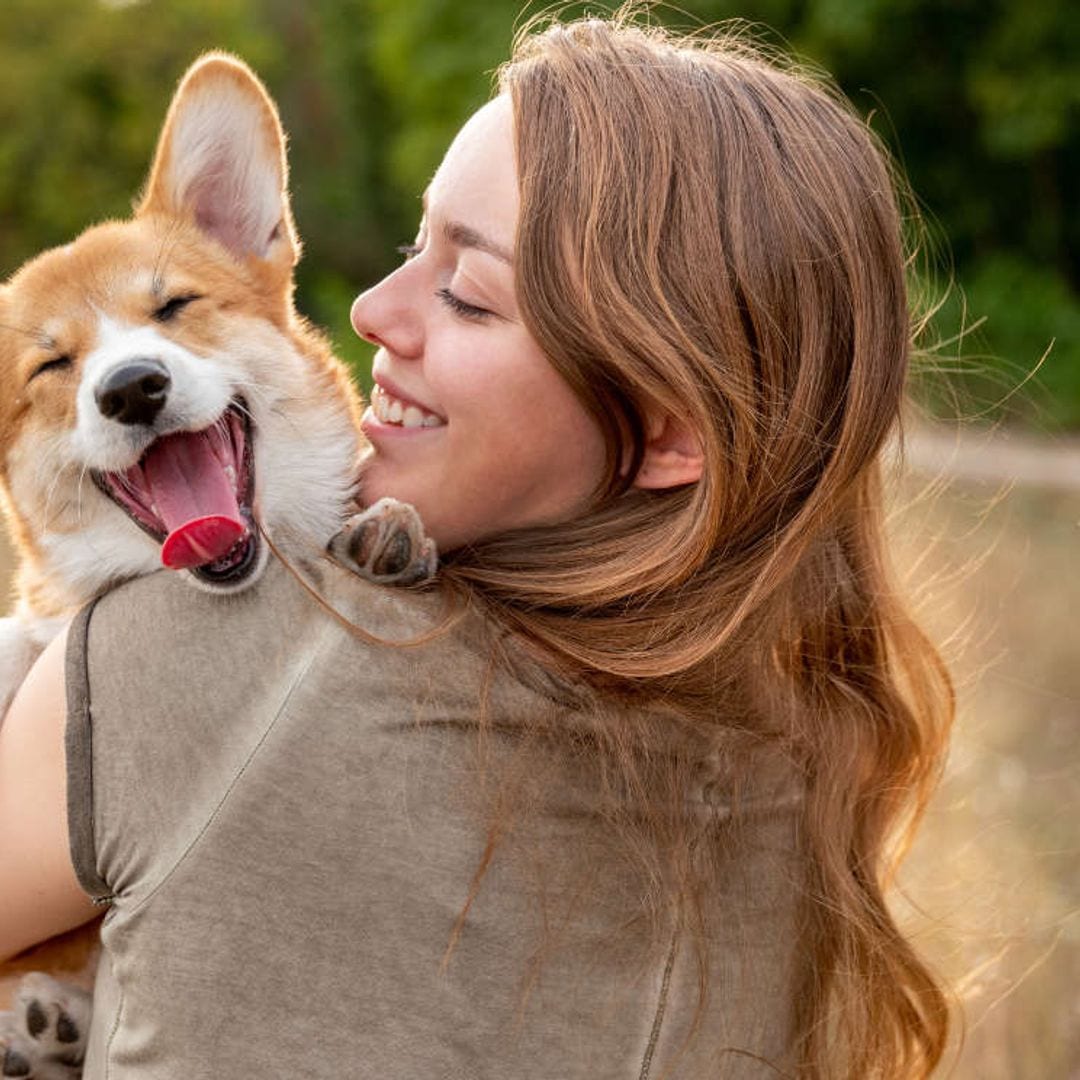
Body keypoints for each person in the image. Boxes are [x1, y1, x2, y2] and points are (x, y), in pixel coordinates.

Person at [0, 13, 954, 1079]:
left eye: (467, 292)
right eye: (415, 250)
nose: (364, 311)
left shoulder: (182, 665)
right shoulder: (804, 772)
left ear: (674, 429)